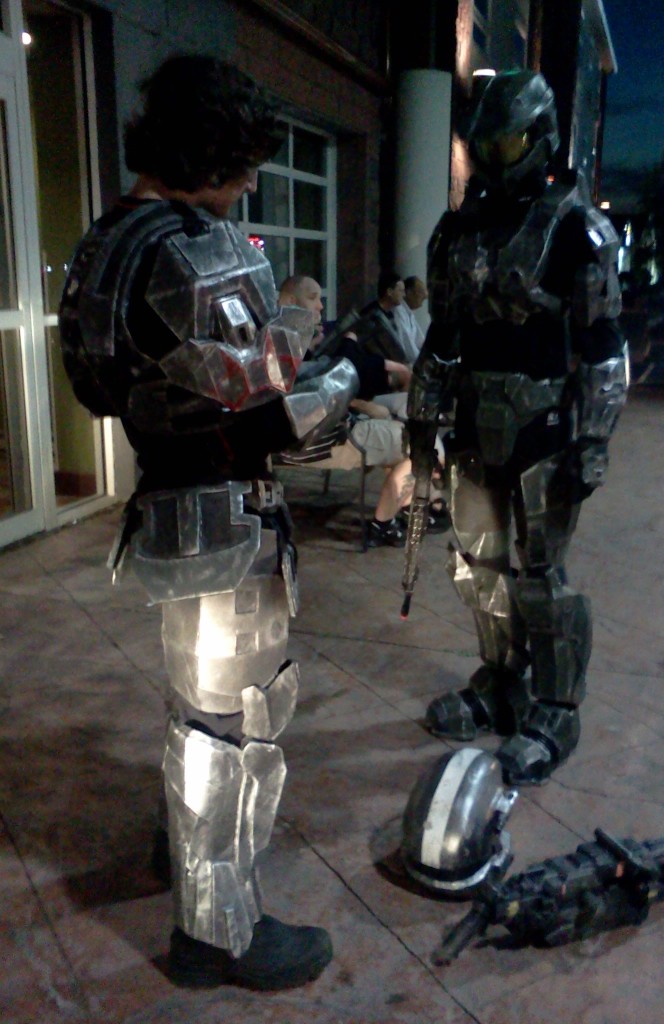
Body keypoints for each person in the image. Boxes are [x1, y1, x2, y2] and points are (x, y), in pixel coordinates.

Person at [58, 55, 359, 991]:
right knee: (235, 725)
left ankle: (184, 855)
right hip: (222, 510)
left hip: (174, 503)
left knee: (201, 706)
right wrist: (322, 337)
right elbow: (265, 395)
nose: (252, 181)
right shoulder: (188, 248)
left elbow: (108, 384)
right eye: (246, 160)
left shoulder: (113, 236)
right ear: (211, 151)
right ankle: (217, 929)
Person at [405, 69, 628, 787]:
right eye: (485, 146)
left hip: (544, 426)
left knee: (539, 577)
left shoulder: (576, 229)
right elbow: (443, 335)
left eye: (507, 144)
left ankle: (556, 708)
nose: (495, 159)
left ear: (540, 137)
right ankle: (501, 681)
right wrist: (422, 419)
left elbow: (602, 345)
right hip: (475, 421)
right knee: (480, 570)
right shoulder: (458, 230)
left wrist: (592, 441)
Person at [276, 275, 446, 546]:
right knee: (423, 444)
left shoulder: (288, 342)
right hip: (331, 439)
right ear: (288, 301)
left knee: (410, 428)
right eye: (312, 298)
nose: (321, 306)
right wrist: (362, 403)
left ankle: (412, 505)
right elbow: (320, 395)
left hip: (334, 430)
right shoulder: (282, 347)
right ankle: (385, 524)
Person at [354, 270, 409, 364]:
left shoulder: (390, 314)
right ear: (389, 292)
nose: (404, 295)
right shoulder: (371, 314)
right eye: (400, 291)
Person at [392, 275, 429, 365]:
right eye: (420, 293)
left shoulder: (409, 313)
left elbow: (421, 341)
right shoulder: (398, 310)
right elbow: (408, 347)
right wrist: (423, 361)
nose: (425, 296)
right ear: (408, 293)